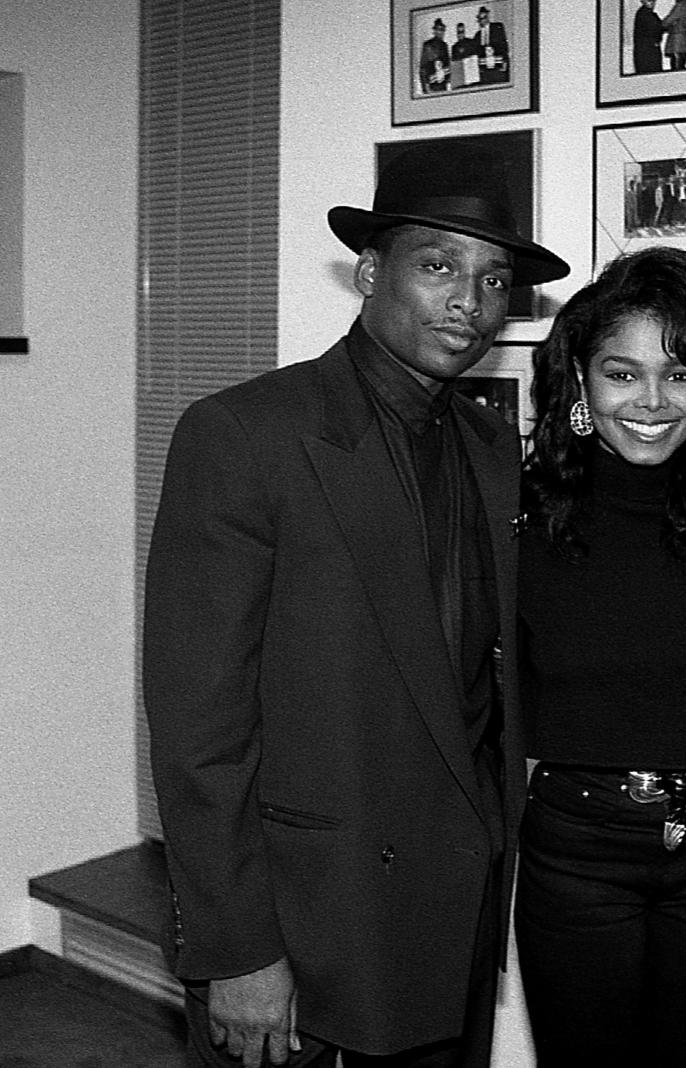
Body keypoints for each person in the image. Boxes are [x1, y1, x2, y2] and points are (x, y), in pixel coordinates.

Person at [143, 146, 570, 1068]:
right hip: (306, 928)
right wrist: (239, 949)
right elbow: (197, 733)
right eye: (440, 265)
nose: (470, 301)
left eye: (494, 279)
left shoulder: (493, 447)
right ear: (372, 273)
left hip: (450, 912)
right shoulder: (245, 435)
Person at [514, 247, 686, 1068]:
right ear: (579, 384)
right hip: (577, 853)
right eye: (622, 373)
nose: (651, 401)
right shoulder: (520, 518)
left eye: (678, 374)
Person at [473, 6, 509, 84]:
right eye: (480, 19)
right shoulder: (478, 35)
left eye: (484, 17)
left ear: (488, 17)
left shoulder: (497, 27)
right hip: (485, 67)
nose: (483, 21)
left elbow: (503, 45)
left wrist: (505, 61)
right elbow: (477, 52)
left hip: (497, 63)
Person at [418, 18, 450, 93]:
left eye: (442, 30)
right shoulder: (428, 45)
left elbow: (447, 65)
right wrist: (425, 86)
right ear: (434, 31)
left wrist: (448, 80)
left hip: (442, 84)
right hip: (432, 84)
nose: (440, 32)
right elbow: (423, 67)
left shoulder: (444, 46)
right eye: (438, 29)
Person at [633, 0, 664, 74]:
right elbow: (656, 28)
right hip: (647, 51)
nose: (652, 3)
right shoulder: (644, 14)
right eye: (649, 1)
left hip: (648, 50)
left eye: (653, 1)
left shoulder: (648, 13)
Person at [662, 0, 686, 70]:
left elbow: (669, 20)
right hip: (681, 38)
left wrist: (661, 24)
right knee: (680, 65)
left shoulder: (681, 5)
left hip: (677, 40)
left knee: (677, 68)